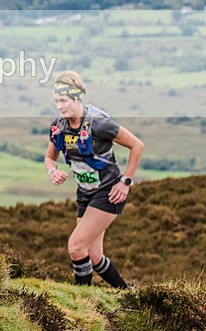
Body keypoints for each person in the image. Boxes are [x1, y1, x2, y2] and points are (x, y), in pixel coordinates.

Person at [44, 71, 144, 288]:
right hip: (85, 193)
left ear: (77, 98)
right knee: (94, 256)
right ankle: (128, 293)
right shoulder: (59, 126)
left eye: (64, 101)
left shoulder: (99, 124)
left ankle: (82, 299)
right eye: (56, 101)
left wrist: (125, 181)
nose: (59, 107)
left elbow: (137, 145)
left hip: (109, 192)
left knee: (75, 247)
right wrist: (53, 172)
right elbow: (50, 158)